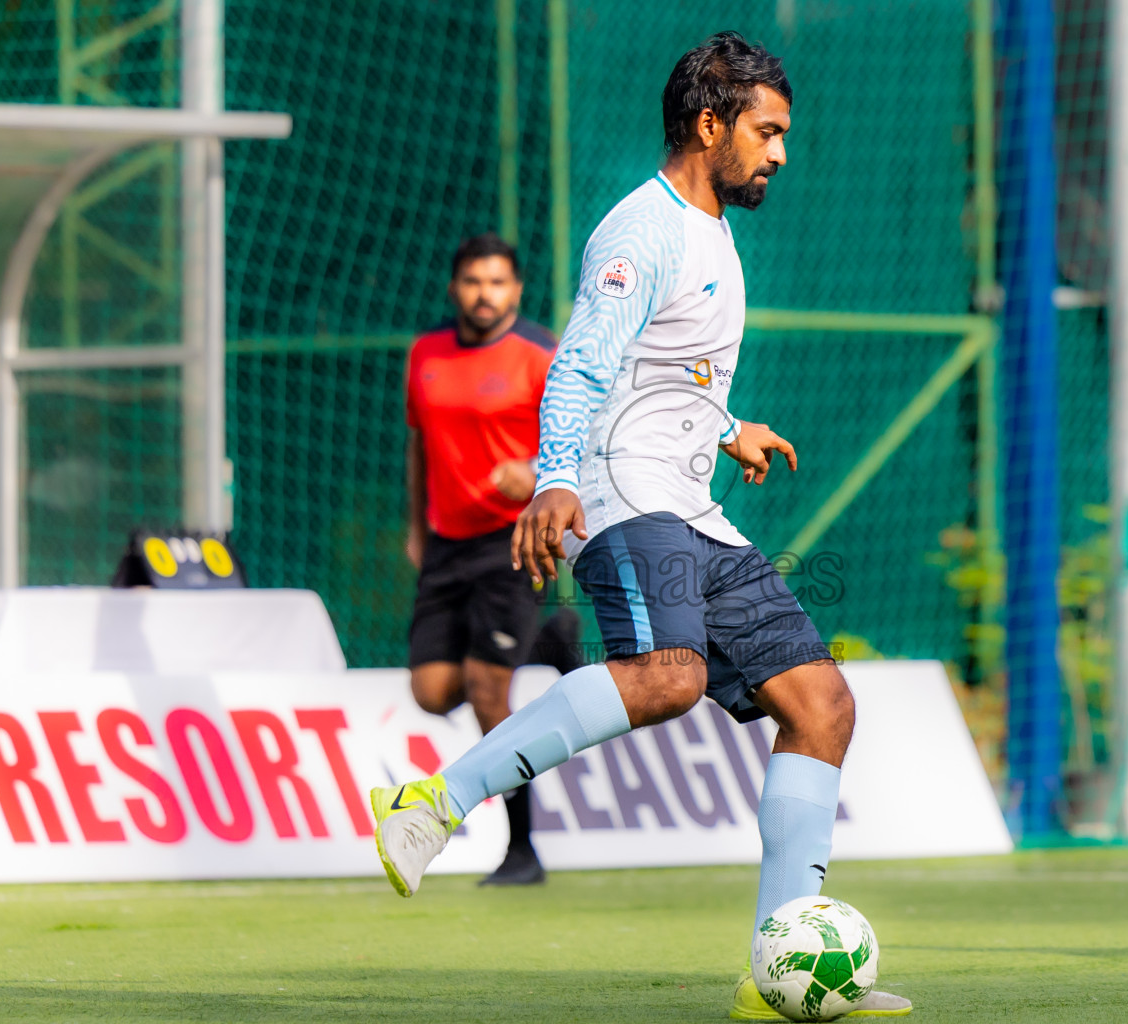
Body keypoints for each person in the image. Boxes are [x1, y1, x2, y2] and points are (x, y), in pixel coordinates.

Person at [374, 33, 911, 1017]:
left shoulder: (712, 232)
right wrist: (554, 480)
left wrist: (726, 425)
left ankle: (777, 973)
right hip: (623, 495)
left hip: (690, 499)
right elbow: (581, 363)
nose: (780, 153)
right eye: (768, 131)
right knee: (672, 674)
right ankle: (434, 802)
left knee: (823, 706)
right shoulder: (642, 230)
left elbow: (659, 372)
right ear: (711, 125)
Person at [402, 232, 580, 887]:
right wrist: (415, 526)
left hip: (515, 537)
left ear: (517, 289)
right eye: (473, 281)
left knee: (486, 693)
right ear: (455, 288)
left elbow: (583, 440)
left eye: (497, 282)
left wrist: (535, 473)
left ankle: (523, 850)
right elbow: (418, 445)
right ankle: (549, 639)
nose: (485, 293)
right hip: (445, 544)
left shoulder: (541, 353)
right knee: (432, 693)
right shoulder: (425, 352)